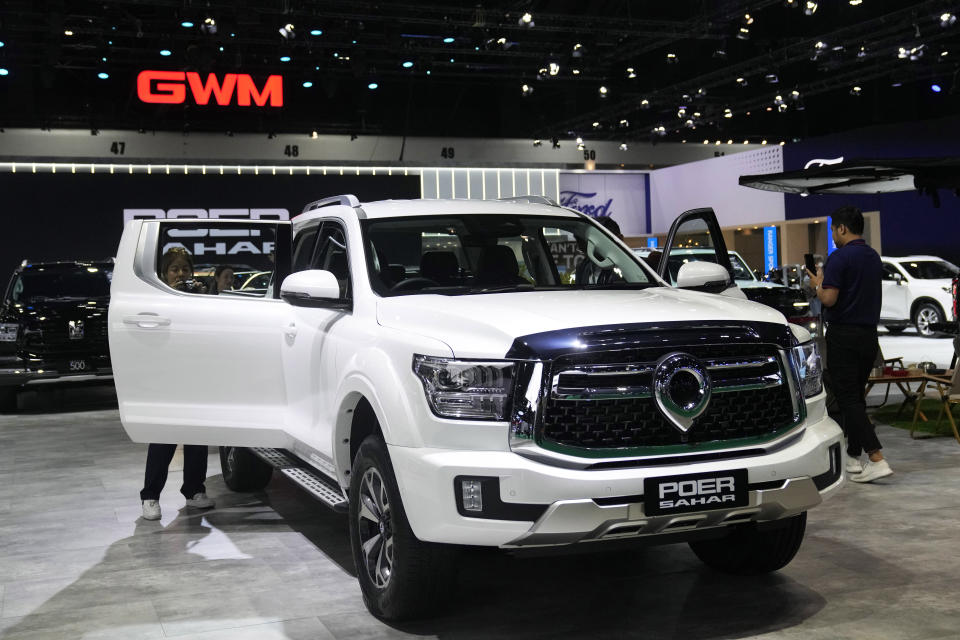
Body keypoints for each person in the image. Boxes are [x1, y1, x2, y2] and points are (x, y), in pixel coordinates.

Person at [806, 206, 892, 483]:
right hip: (869, 337)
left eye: (833, 229)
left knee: (847, 399)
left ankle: (876, 457)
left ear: (842, 228)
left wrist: (817, 285)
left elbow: (829, 299)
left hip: (844, 335)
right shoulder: (873, 256)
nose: (832, 234)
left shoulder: (839, 257)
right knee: (856, 397)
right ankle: (854, 458)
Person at [141, 247, 216, 520]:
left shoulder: (200, 295)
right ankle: (150, 495)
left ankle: (195, 490)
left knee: (198, 435)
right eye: (175, 269)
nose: (181, 274)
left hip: (196, 372)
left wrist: (202, 299)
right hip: (167, 374)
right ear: (164, 273)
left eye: (185, 269)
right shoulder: (154, 298)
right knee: (164, 436)